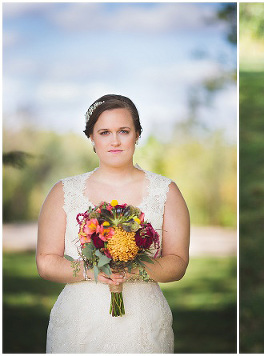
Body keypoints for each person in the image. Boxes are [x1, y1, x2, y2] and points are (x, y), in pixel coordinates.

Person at [36, 94, 190, 353]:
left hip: (143, 321)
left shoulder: (166, 191)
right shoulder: (63, 191)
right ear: (91, 139)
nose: (115, 140)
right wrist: (91, 270)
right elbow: (46, 261)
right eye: (105, 132)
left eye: (124, 131)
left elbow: (177, 263)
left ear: (138, 134)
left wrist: (131, 271)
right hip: (79, 322)